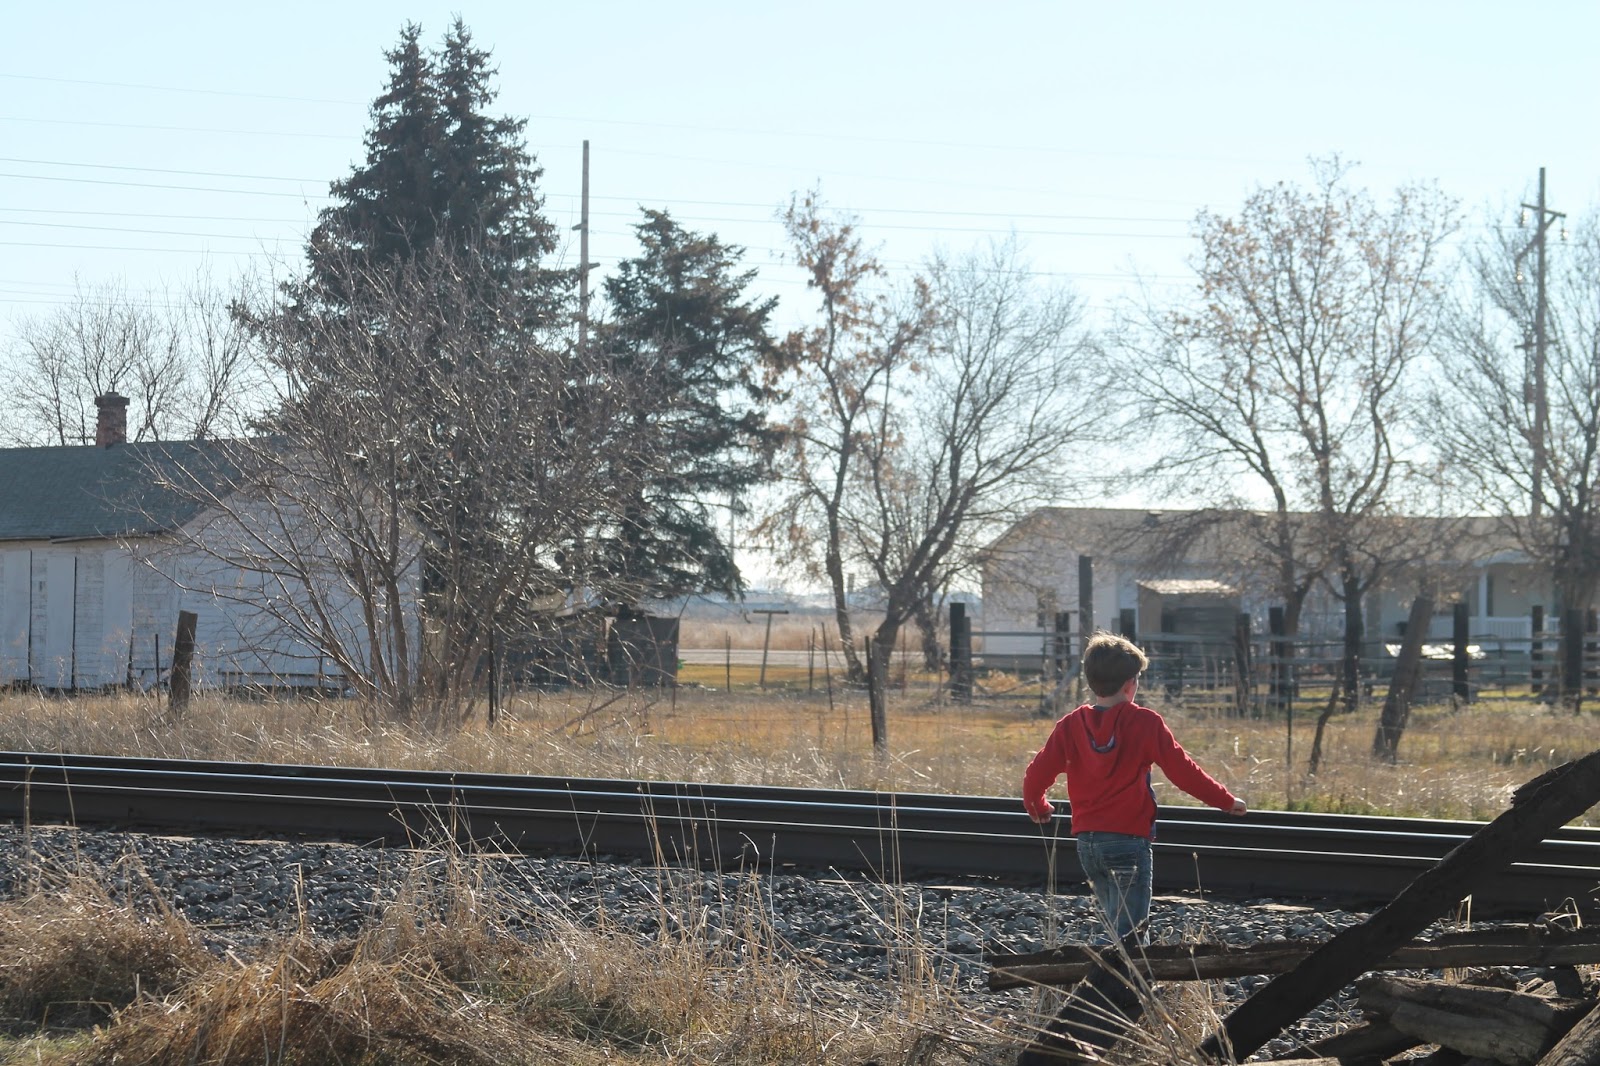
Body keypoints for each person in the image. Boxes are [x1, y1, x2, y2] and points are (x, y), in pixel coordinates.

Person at [1022, 631, 1246, 941]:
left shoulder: (1070, 726)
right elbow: (1184, 773)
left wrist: (1038, 806)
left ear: (1091, 681)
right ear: (1131, 684)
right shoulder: (1145, 723)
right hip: (1128, 843)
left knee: (1115, 926)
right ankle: (1118, 985)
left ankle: (1110, 985)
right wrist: (1226, 800)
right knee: (1130, 935)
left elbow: (1036, 774)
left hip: (1088, 844)